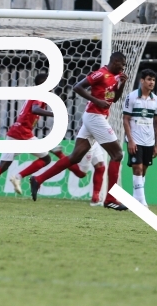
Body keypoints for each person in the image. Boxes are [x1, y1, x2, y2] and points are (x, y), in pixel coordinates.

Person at [28, 52, 129, 211]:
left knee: (75, 157)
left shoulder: (115, 78)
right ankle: (110, 198)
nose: (123, 67)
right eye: (122, 64)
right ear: (115, 62)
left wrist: (121, 85)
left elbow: (114, 99)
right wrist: (96, 100)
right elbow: (77, 86)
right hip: (95, 117)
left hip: (94, 118)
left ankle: (38, 179)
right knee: (118, 155)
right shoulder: (100, 74)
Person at [0, 74, 86, 204]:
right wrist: (54, 113)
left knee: (4, 165)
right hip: (22, 133)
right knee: (45, 158)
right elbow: (35, 109)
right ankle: (17, 177)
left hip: (17, 131)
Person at [123, 69, 157, 207]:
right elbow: (126, 120)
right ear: (142, 80)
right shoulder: (131, 97)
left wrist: (156, 144)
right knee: (137, 168)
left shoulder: (156, 100)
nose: (151, 82)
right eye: (149, 79)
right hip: (135, 139)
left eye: (153, 80)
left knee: (143, 171)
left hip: (149, 141)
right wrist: (130, 140)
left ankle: (135, 199)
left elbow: (156, 123)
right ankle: (142, 202)